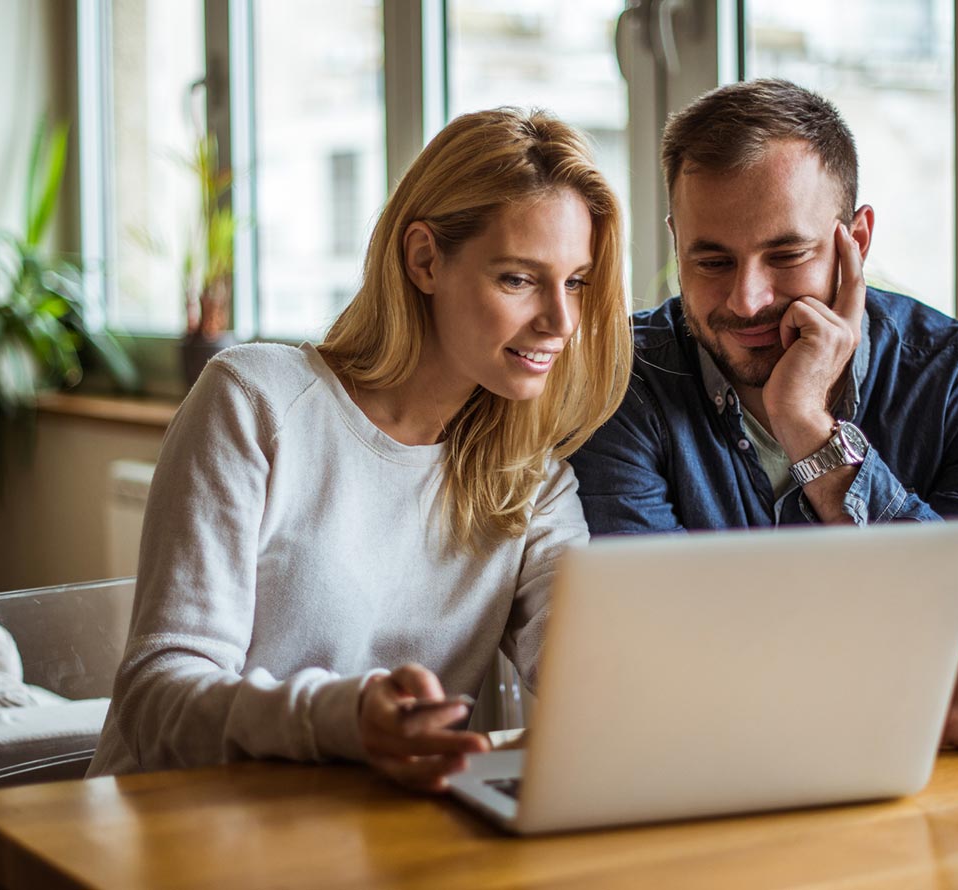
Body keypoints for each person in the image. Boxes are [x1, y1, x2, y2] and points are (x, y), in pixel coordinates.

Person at [89, 109, 632, 790]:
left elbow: (582, 668)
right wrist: (341, 720)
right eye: (519, 279)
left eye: (576, 281)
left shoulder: (532, 479)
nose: (561, 321)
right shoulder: (256, 402)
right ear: (425, 259)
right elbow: (154, 699)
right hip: (173, 833)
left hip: (369, 840)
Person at [568, 79, 958, 751]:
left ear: (854, 239)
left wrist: (812, 431)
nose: (747, 300)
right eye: (712, 259)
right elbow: (649, 654)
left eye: (786, 255)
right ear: (675, 241)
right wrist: (899, 691)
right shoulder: (619, 379)